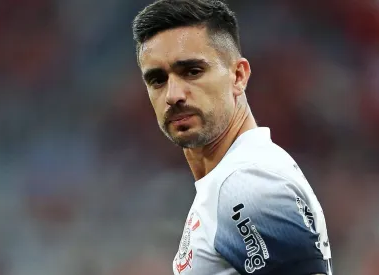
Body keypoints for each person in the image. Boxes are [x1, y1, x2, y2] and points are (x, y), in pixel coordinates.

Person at [132, 0, 333, 274]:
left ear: (238, 76)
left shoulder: (247, 184)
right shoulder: (231, 178)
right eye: (158, 80)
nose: (173, 95)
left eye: (192, 71)